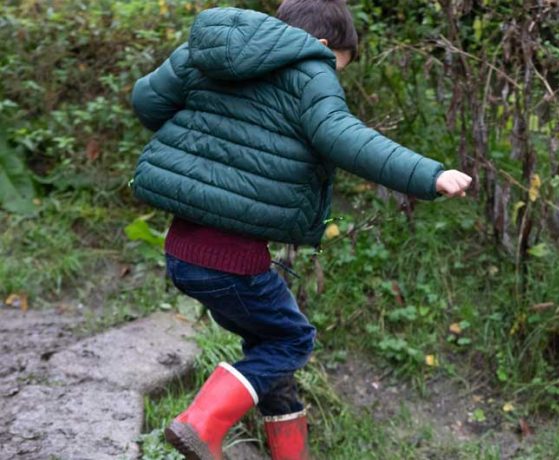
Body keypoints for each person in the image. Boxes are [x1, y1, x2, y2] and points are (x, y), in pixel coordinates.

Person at [129, 1, 471, 458]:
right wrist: (429, 175)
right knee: (293, 339)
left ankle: (290, 452)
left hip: (184, 253)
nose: (335, 75)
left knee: (266, 342)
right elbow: (342, 136)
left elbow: (148, 102)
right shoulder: (311, 69)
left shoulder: (206, 49)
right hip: (232, 261)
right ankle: (202, 421)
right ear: (324, 45)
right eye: (338, 66)